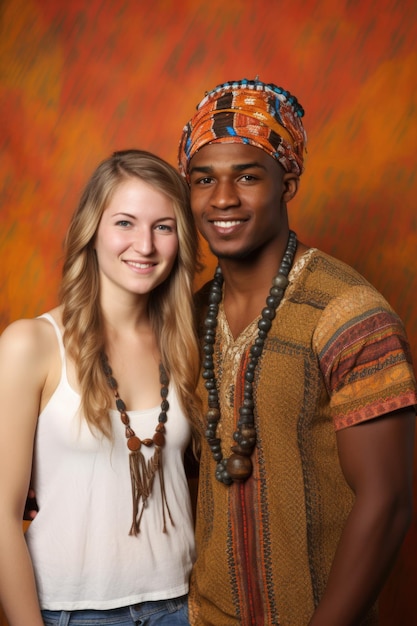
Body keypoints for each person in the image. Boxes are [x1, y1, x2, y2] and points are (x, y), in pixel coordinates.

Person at [177, 78, 417, 626]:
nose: (222, 199)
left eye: (247, 176)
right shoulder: (187, 318)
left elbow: (388, 503)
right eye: (202, 179)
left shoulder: (349, 314)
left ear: (287, 182)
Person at [0, 149, 202, 626]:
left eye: (164, 227)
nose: (145, 246)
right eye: (126, 223)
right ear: (92, 231)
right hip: (70, 612)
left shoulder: (189, 343)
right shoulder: (31, 344)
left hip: (183, 606)